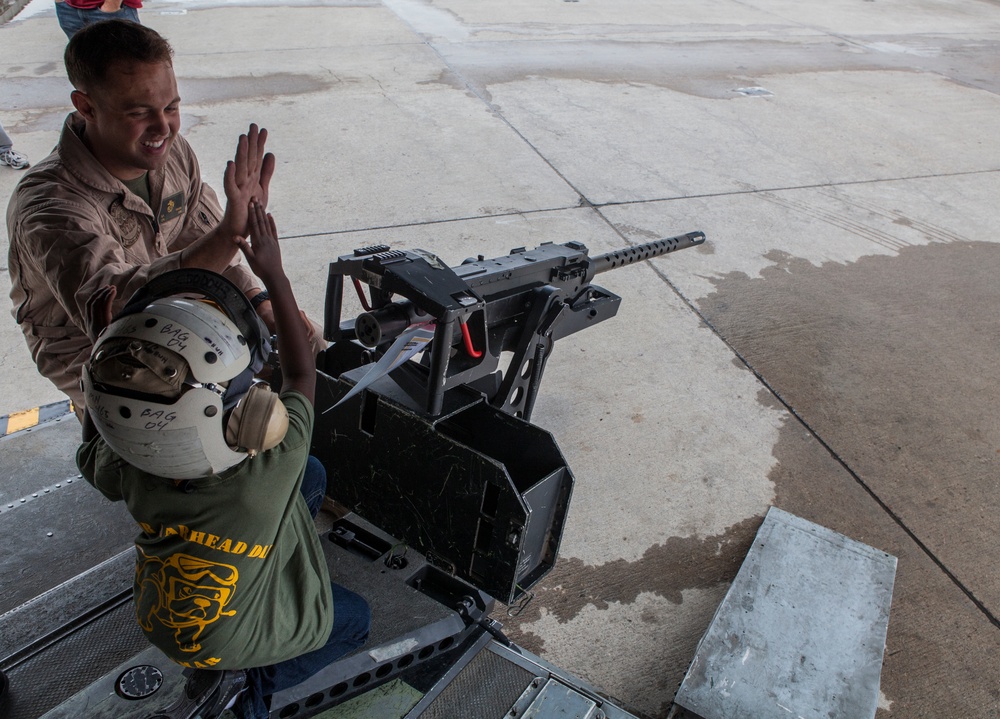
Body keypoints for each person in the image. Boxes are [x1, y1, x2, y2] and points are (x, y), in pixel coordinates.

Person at [77, 201, 371, 719]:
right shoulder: (267, 469)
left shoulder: (126, 462)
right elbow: (302, 375)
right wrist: (272, 271)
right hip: (231, 642)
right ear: (251, 418)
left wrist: (105, 344)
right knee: (355, 619)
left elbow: (103, 423)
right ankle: (242, 690)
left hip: (162, 620)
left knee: (313, 476)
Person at [6, 20, 315, 420]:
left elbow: (199, 237)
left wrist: (260, 303)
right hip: (88, 347)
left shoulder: (172, 154)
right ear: (86, 107)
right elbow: (115, 308)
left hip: (173, 309)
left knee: (308, 344)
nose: (163, 128)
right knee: (185, 422)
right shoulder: (50, 204)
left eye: (171, 107)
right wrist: (229, 235)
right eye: (139, 112)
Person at [55, 0, 141, 40]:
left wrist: (111, 5)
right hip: (69, 9)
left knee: (125, 66)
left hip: (111, 9)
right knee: (83, 65)